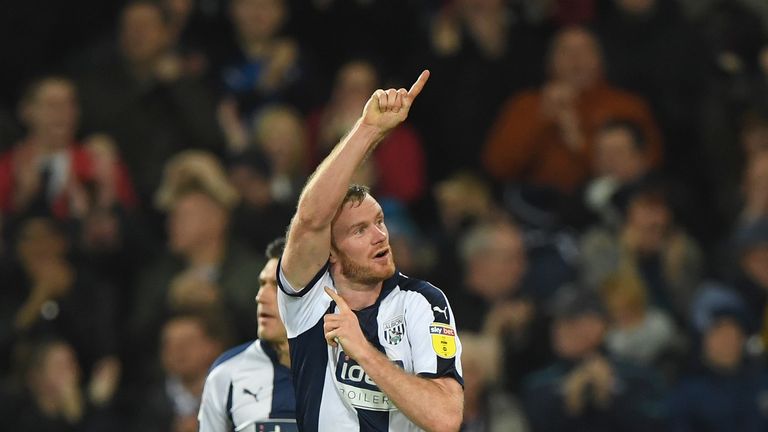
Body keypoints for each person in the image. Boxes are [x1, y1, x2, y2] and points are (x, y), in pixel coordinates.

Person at [277, 70, 464, 431]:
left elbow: (445, 417)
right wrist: (368, 129)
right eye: (359, 230)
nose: (380, 236)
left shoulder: (422, 301)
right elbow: (311, 219)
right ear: (331, 252)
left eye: (379, 222)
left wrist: (362, 350)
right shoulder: (308, 298)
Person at [198, 237, 296, 431]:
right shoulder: (226, 373)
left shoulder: (345, 368)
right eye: (262, 284)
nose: (260, 297)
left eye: (277, 286)